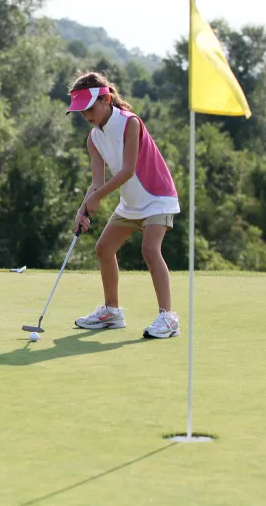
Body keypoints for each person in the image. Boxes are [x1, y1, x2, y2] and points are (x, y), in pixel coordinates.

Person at [66, 71, 181, 339]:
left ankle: (168, 318)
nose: (86, 116)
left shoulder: (131, 123)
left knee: (150, 250)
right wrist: (82, 208)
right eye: (81, 111)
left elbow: (128, 170)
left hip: (157, 197)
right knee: (104, 248)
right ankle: (112, 312)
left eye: (90, 108)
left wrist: (98, 198)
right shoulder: (93, 138)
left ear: (106, 99)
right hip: (131, 203)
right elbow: (96, 182)